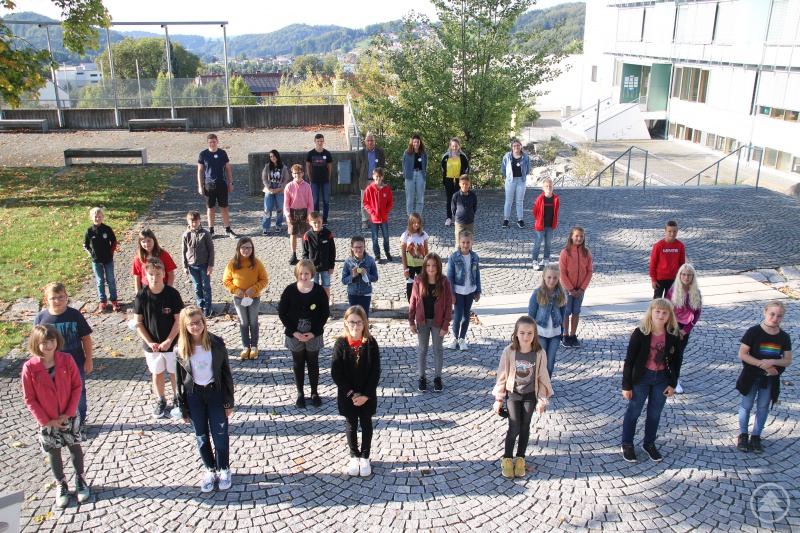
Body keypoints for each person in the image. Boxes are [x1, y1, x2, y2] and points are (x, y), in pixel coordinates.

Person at [21, 325, 91, 508]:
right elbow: (29, 398)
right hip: (47, 419)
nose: (49, 345)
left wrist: (68, 412)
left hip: (69, 415)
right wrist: (45, 420)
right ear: (36, 344)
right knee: (54, 452)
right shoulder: (30, 368)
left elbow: (77, 386)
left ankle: (80, 479)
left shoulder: (66, 360)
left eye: (52, 341)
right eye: (44, 342)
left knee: (74, 447)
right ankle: (61, 483)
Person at [175, 306, 235, 492]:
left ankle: (224, 468)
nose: (196, 326)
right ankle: (210, 469)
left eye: (199, 322)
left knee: (220, 434)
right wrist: (183, 408)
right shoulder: (180, 349)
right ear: (185, 326)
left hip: (215, 393)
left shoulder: (216, 343)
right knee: (201, 436)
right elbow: (179, 381)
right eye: (192, 324)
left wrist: (229, 401)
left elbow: (226, 374)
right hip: (194, 397)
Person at [620, 298, 682, 463]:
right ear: (651, 313)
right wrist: (626, 385)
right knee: (634, 412)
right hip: (642, 377)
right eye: (657, 312)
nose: (660, 316)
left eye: (664, 313)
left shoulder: (673, 334)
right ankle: (627, 444)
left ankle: (649, 443)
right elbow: (629, 361)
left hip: (662, 378)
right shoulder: (640, 333)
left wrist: (673, 383)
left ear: (669, 315)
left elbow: (677, 361)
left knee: (655, 414)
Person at [492, 316, 552, 479]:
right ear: (516, 334)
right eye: (522, 333)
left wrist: (542, 399)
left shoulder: (539, 353)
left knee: (525, 427)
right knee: (514, 427)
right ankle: (507, 458)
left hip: (530, 395)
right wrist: (499, 398)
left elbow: (542, 376)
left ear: (535, 335)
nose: (526, 337)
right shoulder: (509, 351)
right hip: (514, 394)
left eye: (530, 333)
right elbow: (502, 375)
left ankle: (520, 458)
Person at [33, 282, 93, 437]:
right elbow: (35, 343)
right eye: (53, 298)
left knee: (78, 392)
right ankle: (59, 420)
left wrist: (89, 359)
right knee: (56, 393)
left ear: (66, 297)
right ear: (47, 300)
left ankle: (81, 420)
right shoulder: (41, 318)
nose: (57, 301)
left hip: (76, 363)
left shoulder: (74, 315)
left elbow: (86, 337)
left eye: (61, 297)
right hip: (50, 365)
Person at [736, 301, 792, 454]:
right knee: (746, 405)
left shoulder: (783, 337)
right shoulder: (753, 332)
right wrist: (762, 364)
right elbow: (743, 354)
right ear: (765, 313)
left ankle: (756, 436)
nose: (775, 318)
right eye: (772, 314)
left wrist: (772, 362)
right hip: (751, 376)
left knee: (763, 407)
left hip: (769, 379)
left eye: (779, 316)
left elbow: (787, 359)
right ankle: (743, 434)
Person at [331, 305, 381, 477]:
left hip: (367, 394)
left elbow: (375, 371)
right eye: (351, 322)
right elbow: (336, 372)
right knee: (351, 424)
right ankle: (354, 455)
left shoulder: (371, 343)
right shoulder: (340, 343)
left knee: (366, 423)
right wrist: (351, 394)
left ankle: (365, 456)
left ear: (364, 323)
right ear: (345, 322)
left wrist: (365, 395)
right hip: (348, 396)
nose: (355, 326)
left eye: (359, 322)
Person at [133, 257, 184, 419]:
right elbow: (138, 323)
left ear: (164, 274)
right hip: (152, 345)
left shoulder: (172, 294)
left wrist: (169, 340)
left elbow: (179, 320)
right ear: (146, 276)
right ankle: (161, 399)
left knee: (174, 372)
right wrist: (149, 342)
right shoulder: (141, 296)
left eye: (157, 274)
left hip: (172, 343)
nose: (154, 278)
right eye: (151, 274)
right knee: (157, 373)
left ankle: (178, 398)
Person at [278, 260, 331, 409]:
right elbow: (282, 313)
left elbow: (324, 314)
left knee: (313, 363)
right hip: (295, 335)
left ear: (312, 274)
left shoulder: (319, 291)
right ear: (297, 274)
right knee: (298, 363)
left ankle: (314, 392)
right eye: (301, 273)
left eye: (306, 273)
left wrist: (313, 333)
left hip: (313, 334)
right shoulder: (289, 290)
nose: (303, 276)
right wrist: (294, 332)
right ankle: (300, 393)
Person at [409, 253, 453, 393]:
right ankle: (421, 377)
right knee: (422, 350)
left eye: (434, 265)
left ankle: (437, 378)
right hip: (422, 321)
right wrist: (411, 321)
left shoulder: (445, 282)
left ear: (438, 266)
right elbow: (413, 302)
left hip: (438, 322)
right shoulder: (418, 280)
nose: (431, 268)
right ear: (424, 266)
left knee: (437, 350)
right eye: (428, 265)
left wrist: (445, 325)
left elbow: (448, 304)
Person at [222, 237, 268, 361]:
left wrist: (255, 288)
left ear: (252, 249)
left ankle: (254, 346)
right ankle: (245, 346)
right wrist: (236, 290)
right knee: (244, 322)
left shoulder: (257, 263)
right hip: (239, 298)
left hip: (254, 297)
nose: (246, 250)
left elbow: (264, 279)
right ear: (238, 249)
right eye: (243, 247)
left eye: (248, 248)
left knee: (253, 321)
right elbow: (226, 281)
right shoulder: (232, 263)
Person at [665, 263, 702, 394]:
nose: (686, 277)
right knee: (669, 352)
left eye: (689, 275)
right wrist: (675, 330)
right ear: (680, 275)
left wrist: (685, 330)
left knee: (679, 355)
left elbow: (697, 313)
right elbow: (668, 310)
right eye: (684, 274)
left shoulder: (696, 292)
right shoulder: (672, 291)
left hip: (685, 328)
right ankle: (666, 377)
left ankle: (675, 380)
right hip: (672, 325)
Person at [527, 264, 567, 378]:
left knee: (550, 361)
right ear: (544, 276)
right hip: (541, 332)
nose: (552, 280)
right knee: (541, 360)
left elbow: (563, 313)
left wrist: (562, 331)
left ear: (558, 278)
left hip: (555, 332)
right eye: (549, 277)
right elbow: (531, 314)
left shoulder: (562, 293)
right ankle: (538, 383)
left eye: (555, 278)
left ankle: (547, 384)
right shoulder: (537, 293)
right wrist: (531, 333)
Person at [446, 230, 481, 351]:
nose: (465, 245)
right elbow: (450, 276)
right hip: (458, 291)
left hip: (470, 290)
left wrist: (478, 291)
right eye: (463, 242)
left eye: (468, 242)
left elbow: (477, 275)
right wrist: (452, 293)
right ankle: (454, 337)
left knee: (466, 316)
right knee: (457, 316)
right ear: (459, 243)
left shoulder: (474, 257)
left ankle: (462, 338)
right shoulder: (454, 257)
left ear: (472, 242)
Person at [197, 133, 237, 239]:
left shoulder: (222, 153)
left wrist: (231, 182)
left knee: (224, 207)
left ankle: (228, 229)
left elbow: (228, 168)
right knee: (210, 208)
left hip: (221, 184)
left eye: (214, 142)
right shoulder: (203, 154)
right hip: (209, 184)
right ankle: (211, 230)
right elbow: (200, 170)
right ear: (207, 143)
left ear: (217, 142)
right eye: (210, 142)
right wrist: (200, 185)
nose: (212, 144)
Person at [558, 226, 593, 349]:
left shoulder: (586, 252)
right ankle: (565, 334)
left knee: (576, 312)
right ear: (571, 236)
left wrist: (582, 288)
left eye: (581, 236)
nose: (579, 238)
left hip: (580, 288)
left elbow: (589, 271)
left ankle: (573, 334)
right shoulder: (565, 252)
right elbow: (562, 273)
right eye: (577, 236)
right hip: (567, 289)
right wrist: (571, 289)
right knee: (566, 312)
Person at [83, 206, 119, 313]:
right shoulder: (89, 231)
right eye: (95, 217)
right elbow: (85, 245)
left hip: (108, 259)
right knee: (100, 281)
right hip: (96, 261)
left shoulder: (107, 229)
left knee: (111, 280)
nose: (97, 219)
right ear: (91, 218)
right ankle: (102, 301)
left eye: (99, 217)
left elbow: (114, 241)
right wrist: (92, 254)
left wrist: (111, 252)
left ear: (102, 217)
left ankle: (114, 299)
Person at [182, 210, 215, 319]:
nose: (194, 224)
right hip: (192, 265)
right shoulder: (186, 235)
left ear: (199, 221)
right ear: (188, 222)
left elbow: (211, 250)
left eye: (196, 221)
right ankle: (200, 305)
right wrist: (185, 266)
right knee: (197, 286)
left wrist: (210, 265)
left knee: (206, 286)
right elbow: (183, 251)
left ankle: (208, 307)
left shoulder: (205, 234)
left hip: (204, 264)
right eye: (192, 222)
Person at [283, 164, 314, 266]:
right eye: (295, 173)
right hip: (293, 212)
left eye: (299, 173)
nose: (297, 175)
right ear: (292, 174)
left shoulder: (307, 186)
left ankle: (305, 254)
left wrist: (309, 215)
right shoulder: (289, 186)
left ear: (302, 173)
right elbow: (286, 203)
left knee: (304, 235)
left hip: (304, 212)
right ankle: (293, 254)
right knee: (293, 234)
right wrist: (288, 216)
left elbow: (310, 202)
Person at [302, 211, 336, 302]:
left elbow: (332, 252)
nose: (317, 224)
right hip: (312, 268)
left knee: (326, 287)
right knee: (313, 289)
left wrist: (331, 266)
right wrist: (306, 268)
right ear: (310, 223)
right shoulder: (307, 235)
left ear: (322, 221)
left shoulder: (328, 234)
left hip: (325, 267)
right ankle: (315, 307)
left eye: (319, 222)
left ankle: (326, 306)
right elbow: (305, 254)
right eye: (314, 222)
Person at [363, 167, 394, 263]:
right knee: (375, 238)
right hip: (374, 219)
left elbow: (390, 202)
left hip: (384, 218)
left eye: (380, 177)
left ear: (382, 177)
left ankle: (387, 251)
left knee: (386, 237)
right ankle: (377, 255)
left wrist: (386, 211)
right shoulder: (369, 189)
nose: (378, 178)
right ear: (373, 176)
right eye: (377, 176)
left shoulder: (386, 189)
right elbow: (365, 203)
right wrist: (372, 212)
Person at [131, 228, 177, 292]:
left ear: (154, 240)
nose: (146, 244)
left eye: (149, 241)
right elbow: (137, 277)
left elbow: (171, 274)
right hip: (145, 288)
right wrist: (138, 294)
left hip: (162, 287)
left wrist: (168, 291)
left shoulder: (164, 255)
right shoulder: (138, 258)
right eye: (143, 242)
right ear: (140, 243)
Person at [342, 236, 379, 316]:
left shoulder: (370, 260)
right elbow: (344, 280)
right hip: (353, 293)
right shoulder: (348, 262)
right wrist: (352, 276)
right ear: (352, 248)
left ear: (364, 247)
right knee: (353, 316)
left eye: (361, 247)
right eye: (356, 247)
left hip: (366, 293)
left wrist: (366, 275)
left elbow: (375, 277)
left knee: (364, 317)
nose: (358, 250)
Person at [356, 133, 386, 230]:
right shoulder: (360, 153)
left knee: (377, 201)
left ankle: (376, 219)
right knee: (364, 202)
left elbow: (382, 164)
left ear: (375, 142)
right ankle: (365, 220)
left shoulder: (380, 152)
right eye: (368, 141)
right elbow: (358, 167)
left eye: (372, 140)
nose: (370, 142)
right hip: (365, 180)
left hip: (376, 181)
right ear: (365, 142)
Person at [649, 220, 685, 299]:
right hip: (660, 279)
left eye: (674, 231)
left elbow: (682, 263)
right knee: (657, 301)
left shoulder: (680, 245)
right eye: (670, 231)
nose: (672, 234)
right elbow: (653, 263)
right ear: (665, 231)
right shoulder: (659, 245)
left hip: (673, 278)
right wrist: (653, 279)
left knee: (670, 301)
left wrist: (682, 278)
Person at [501, 139, 530, 229]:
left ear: (521, 146)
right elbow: (503, 169)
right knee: (508, 201)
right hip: (510, 180)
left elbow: (528, 169)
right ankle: (506, 219)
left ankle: (520, 220)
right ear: (512, 147)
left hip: (521, 180)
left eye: (518, 145)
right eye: (514, 146)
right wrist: (509, 177)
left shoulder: (525, 157)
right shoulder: (507, 156)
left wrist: (523, 176)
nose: (516, 147)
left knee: (519, 201)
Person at [531, 178, 559, 271]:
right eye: (546, 186)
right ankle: (535, 260)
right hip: (540, 226)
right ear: (543, 188)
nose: (548, 188)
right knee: (537, 244)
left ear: (553, 187)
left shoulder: (555, 199)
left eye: (550, 186)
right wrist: (539, 220)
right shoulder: (540, 199)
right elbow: (535, 211)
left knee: (548, 244)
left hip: (550, 226)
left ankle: (546, 259)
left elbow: (556, 211)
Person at [440, 138, 469, 226]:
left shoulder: (462, 157)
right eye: (453, 146)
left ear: (459, 146)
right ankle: (448, 218)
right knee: (449, 199)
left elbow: (466, 168)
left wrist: (462, 178)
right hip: (449, 179)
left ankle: (458, 217)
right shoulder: (446, 156)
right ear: (450, 146)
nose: (455, 147)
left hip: (459, 180)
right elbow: (442, 168)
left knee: (459, 199)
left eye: (456, 146)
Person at [305, 133, 333, 224]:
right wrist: (310, 178)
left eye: (321, 141)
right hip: (315, 181)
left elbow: (329, 167)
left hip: (325, 180)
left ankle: (325, 218)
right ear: (315, 142)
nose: (320, 143)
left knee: (326, 200)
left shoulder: (327, 153)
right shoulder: (311, 153)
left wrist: (328, 177)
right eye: (318, 141)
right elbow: (308, 167)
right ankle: (316, 217)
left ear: (323, 142)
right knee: (315, 200)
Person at [400, 213, 429, 302]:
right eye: (414, 222)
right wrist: (405, 269)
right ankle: (411, 303)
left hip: (421, 264)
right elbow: (403, 254)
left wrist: (427, 264)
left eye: (418, 222)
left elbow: (426, 251)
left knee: (423, 284)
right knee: (410, 285)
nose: (416, 224)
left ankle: (422, 302)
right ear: (410, 223)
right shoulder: (405, 236)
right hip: (410, 265)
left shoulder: (424, 235)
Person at [261, 149, 291, 235]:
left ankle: (278, 225)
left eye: (274, 156)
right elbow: (264, 179)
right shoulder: (267, 167)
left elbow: (286, 179)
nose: (272, 158)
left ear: (277, 156)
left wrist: (280, 188)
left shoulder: (283, 167)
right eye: (271, 157)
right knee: (267, 209)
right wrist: (269, 187)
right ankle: (265, 227)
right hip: (269, 189)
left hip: (280, 190)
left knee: (280, 209)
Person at [402, 134, 427, 216]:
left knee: (420, 198)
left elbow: (425, 164)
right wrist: (405, 175)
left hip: (420, 174)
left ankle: (418, 217)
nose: (416, 144)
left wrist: (424, 174)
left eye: (418, 142)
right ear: (412, 143)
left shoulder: (423, 153)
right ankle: (410, 218)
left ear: (420, 142)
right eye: (414, 142)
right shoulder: (407, 152)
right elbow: (404, 164)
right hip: (410, 175)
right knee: (410, 199)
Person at [451, 175, 477, 242]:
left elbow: (474, 207)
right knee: (459, 242)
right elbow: (453, 208)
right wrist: (458, 215)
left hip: (469, 222)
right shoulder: (456, 196)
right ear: (459, 184)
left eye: (466, 184)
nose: (465, 186)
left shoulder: (473, 195)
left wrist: (470, 214)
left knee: (469, 241)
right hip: (460, 223)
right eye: (463, 184)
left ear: (469, 184)